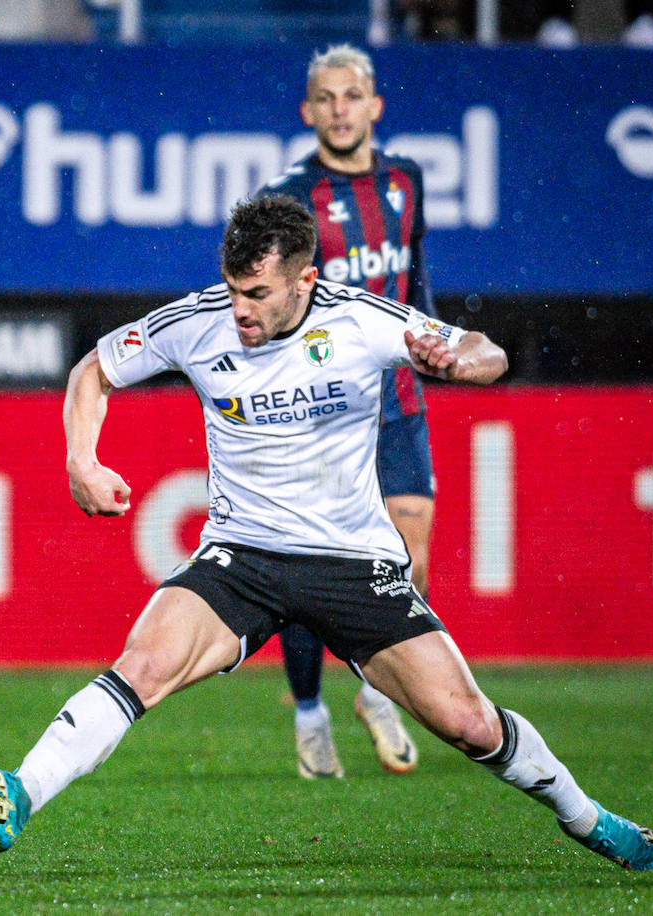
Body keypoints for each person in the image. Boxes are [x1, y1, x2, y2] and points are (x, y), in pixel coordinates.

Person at [0, 195, 653, 873]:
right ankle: (18, 793)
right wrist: (82, 459)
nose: (239, 311)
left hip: (353, 563)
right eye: (232, 291)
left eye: (257, 294)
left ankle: (592, 822)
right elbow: (92, 371)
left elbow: (488, 351)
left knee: (468, 723)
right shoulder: (197, 322)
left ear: (304, 281)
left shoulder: (363, 318)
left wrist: (459, 359)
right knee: (144, 665)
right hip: (242, 556)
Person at [254, 43, 428, 780]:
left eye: (351, 95)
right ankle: (309, 713)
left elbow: (417, 274)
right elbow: (270, 298)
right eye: (326, 98)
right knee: (311, 572)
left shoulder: (405, 180)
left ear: (375, 104)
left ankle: (373, 689)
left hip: (398, 400)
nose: (340, 109)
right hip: (324, 408)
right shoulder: (291, 196)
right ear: (309, 111)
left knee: (407, 559)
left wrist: (434, 341)